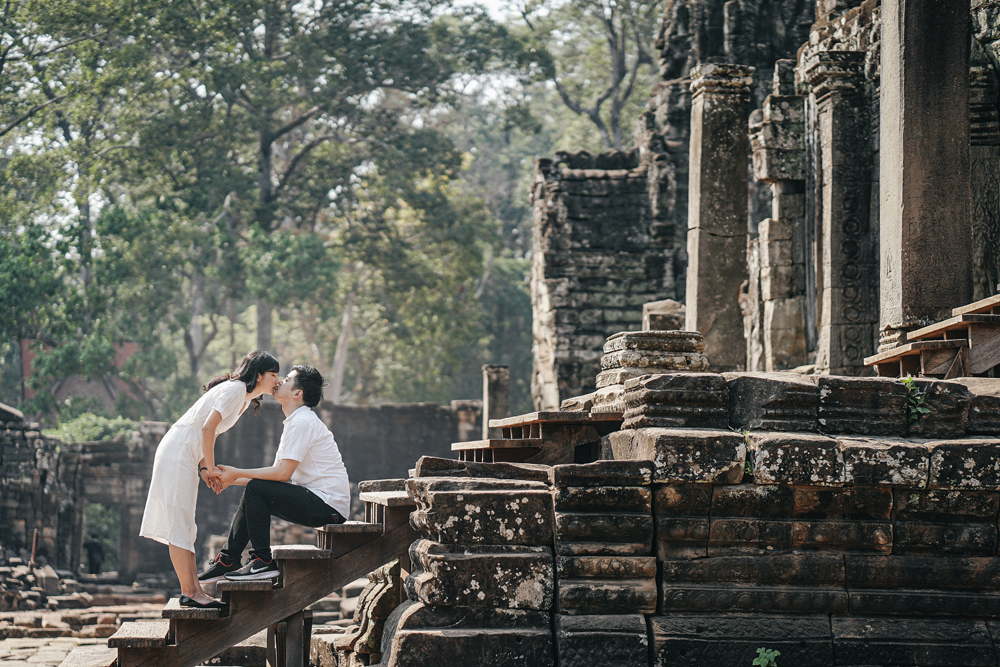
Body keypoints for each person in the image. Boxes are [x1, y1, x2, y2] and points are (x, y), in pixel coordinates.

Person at [139, 350, 280, 607]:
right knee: (179, 523)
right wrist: (213, 468)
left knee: (186, 524)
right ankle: (190, 593)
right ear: (258, 375)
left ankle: (195, 592)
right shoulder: (236, 389)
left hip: (186, 454)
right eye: (273, 374)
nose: (277, 381)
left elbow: (209, 432)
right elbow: (207, 428)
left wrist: (205, 469)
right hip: (178, 452)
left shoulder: (245, 398)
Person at [197, 365, 350, 582]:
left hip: (328, 506)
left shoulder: (302, 422)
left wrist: (236, 473)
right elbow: (273, 476)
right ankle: (228, 560)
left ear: (298, 393)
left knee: (256, 490)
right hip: (319, 501)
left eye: (286, 379)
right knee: (255, 490)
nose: (279, 381)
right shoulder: (296, 421)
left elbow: (281, 474)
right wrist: (231, 479)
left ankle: (262, 561)